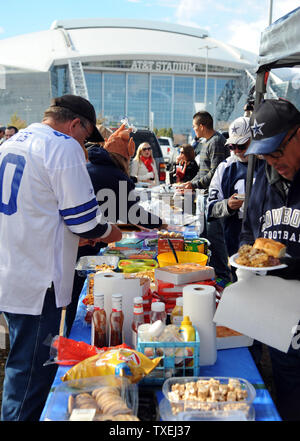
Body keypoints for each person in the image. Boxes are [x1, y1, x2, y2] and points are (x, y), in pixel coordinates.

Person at [0, 94, 122, 421]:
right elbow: (85, 221)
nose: (85, 144)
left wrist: (65, 238)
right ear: (74, 124)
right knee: (28, 379)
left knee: (20, 366)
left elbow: (37, 209)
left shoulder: (13, 142)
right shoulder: (62, 145)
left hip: (13, 269)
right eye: (85, 135)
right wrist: (113, 232)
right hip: (39, 279)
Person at [65, 124, 165, 335]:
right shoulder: (117, 176)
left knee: (72, 293)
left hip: (73, 235)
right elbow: (133, 214)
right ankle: (71, 336)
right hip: (87, 239)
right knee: (76, 292)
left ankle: (68, 332)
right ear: (125, 159)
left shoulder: (90, 165)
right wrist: (160, 223)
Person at [240, 97, 300, 421]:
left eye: (276, 151)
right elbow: (249, 231)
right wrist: (246, 260)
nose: (272, 161)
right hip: (279, 314)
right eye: (265, 154)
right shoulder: (265, 177)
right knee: (287, 385)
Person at [207, 116, 263, 280]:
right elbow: (210, 208)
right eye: (232, 146)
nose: (236, 150)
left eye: (241, 145)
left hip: (265, 241)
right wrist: (227, 206)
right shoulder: (225, 167)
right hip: (235, 241)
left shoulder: (269, 164)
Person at [181, 111, 231, 286]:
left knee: (215, 238)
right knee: (205, 236)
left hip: (214, 199)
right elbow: (202, 172)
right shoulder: (207, 143)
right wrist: (188, 184)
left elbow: (215, 173)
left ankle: (224, 276)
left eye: (195, 127)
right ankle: (212, 272)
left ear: (202, 126)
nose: (194, 130)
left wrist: (193, 185)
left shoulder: (216, 142)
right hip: (204, 197)